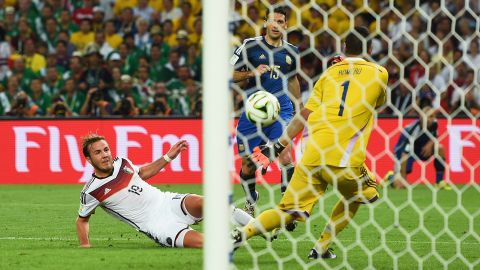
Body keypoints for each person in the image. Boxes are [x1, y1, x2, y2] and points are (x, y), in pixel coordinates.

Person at [232, 27, 388, 260]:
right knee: (361, 195)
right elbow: (378, 103)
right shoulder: (379, 73)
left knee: (286, 211)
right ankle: (322, 247)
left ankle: (241, 234)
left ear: (344, 47)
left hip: (312, 153)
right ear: (370, 49)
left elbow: (304, 113)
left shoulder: (329, 74)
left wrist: (277, 145)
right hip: (344, 158)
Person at [76, 134, 253, 248]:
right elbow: (82, 220)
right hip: (158, 225)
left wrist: (169, 156)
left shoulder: (121, 162)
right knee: (211, 244)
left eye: (106, 149)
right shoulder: (91, 191)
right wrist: (85, 246)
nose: (105, 155)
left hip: (168, 202)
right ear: (89, 159)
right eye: (98, 152)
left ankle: (261, 226)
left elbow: (143, 173)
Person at [230, 7, 302, 221]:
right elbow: (229, 73)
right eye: (273, 20)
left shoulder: (292, 51)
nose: (276, 24)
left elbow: (292, 80)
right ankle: (251, 200)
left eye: (281, 21)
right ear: (266, 23)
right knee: (247, 165)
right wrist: (252, 72)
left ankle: (287, 207)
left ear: (286, 25)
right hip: (254, 112)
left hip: (281, 109)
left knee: (285, 155)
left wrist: (298, 106)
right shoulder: (249, 46)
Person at [383, 106, 451, 190]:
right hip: (403, 154)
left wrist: (430, 144)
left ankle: (439, 182)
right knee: (400, 185)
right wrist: (404, 180)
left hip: (420, 150)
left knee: (440, 148)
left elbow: (435, 136)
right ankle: (390, 176)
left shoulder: (434, 124)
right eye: (427, 117)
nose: (430, 119)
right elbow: (404, 154)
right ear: (421, 117)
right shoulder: (413, 130)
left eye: (432, 116)